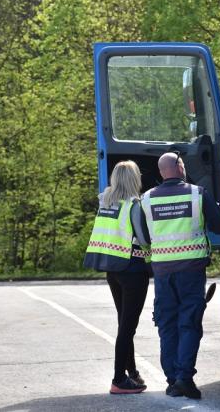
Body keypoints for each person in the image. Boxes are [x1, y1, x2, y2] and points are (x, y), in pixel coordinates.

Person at [139, 152, 220, 399]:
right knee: (189, 323)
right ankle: (184, 378)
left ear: (161, 171)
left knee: (167, 324)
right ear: (179, 167)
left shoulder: (146, 199)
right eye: (183, 164)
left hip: (163, 272)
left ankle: (172, 380)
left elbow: (144, 237)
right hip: (191, 271)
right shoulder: (197, 193)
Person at [83, 160, 152, 395]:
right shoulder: (134, 206)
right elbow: (144, 240)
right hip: (132, 270)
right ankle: (118, 378)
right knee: (127, 327)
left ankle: (131, 373)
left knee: (124, 323)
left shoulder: (107, 203)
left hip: (112, 269)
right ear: (134, 179)